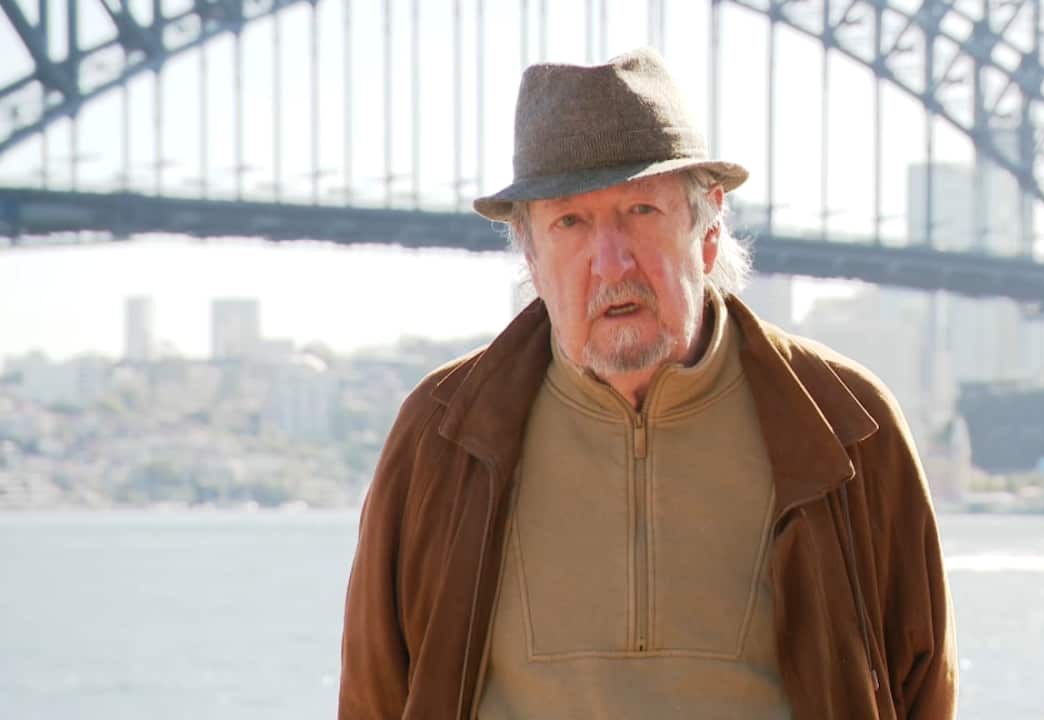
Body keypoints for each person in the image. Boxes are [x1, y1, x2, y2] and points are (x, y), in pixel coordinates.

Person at [339, 48, 956, 719]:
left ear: (709, 227)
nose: (611, 262)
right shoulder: (442, 434)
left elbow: (921, 688)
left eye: (640, 211)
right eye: (569, 222)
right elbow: (375, 697)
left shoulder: (846, 424)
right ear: (530, 254)